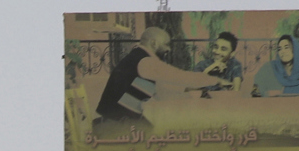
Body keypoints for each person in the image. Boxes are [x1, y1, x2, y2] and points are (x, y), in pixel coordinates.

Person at [95, 27, 223, 122]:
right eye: (166, 44)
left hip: (117, 119)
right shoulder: (146, 61)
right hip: (117, 124)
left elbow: (161, 93)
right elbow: (181, 77)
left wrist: (195, 94)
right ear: (153, 43)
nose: (169, 49)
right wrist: (217, 80)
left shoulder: (137, 58)